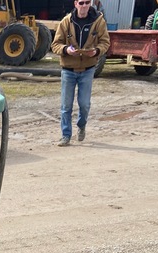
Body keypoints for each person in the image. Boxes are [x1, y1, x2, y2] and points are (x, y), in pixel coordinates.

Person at [51, 0, 110, 146]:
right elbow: (55, 44)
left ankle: (81, 125)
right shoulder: (66, 22)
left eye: (87, 2)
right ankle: (66, 136)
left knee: (84, 105)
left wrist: (96, 51)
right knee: (66, 106)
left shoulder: (98, 21)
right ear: (75, 3)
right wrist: (66, 50)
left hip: (88, 69)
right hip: (68, 70)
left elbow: (105, 42)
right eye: (81, 2)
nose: (84, 6)